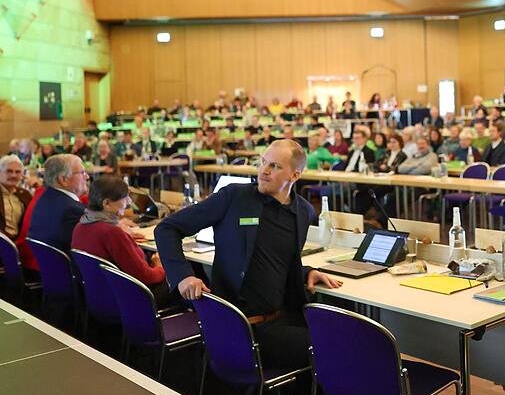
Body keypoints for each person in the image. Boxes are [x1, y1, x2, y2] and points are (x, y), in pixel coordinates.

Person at [156, 140, 342, 372]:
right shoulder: (234, 197)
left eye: (274, 166)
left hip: (283, 318)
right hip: (243, 326)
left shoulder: (303, 211)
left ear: (295, 175)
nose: (263, 171)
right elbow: (166, 229)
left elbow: (276, 258)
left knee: (345, 338)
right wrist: (182, 275)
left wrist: (306, 272)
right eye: (263, 162)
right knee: (335, 349)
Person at [72, 176, 171, 307]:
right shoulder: (112, 233)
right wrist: (160, 268)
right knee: (185, 279)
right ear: (106, 203)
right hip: (130, 299)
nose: (129, 202)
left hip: (99, 295)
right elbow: (145, 277)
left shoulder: (81, 226)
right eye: (124, 197)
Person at [28, 154, 88, 254]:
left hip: (46, 267)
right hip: (69, 268)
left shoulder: (45, 198)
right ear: (63, 180)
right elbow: (88, 250)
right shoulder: (72, 210)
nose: (87, 176)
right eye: (82, 173)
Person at [0, 155, 32, 242]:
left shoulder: (25, 195)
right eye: (9, 171)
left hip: (20, 243)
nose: (14, 175)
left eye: (17, 172)